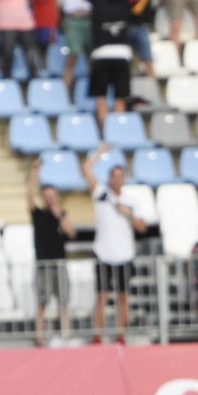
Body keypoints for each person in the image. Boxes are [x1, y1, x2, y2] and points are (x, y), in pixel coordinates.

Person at [83, 144, 146, 344]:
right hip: (104, 252)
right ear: (110, 178)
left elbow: (142, 227)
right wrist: (100, 152)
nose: (117, 180)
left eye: (120, 176)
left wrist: (129, 215)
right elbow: (86, 169)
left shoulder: (131, 201)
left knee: (123, 296)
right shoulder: (101, 193)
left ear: (124, 178)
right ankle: (97, 334)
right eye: (114, 176)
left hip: (125, 253)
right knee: (102, 296)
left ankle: (121, 333)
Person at [29, 157, 76, 346]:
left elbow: (71, 232)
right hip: (44, 264)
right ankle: (40, 335)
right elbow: (29, 196)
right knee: (43, 301)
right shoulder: (38, 215)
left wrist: (60, 214)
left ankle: (66, 333)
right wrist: (34, 174)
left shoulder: (62, 215)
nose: (49, 199)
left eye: (52, 196)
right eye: (46, 196)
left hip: (59, 263)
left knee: (64, 301)